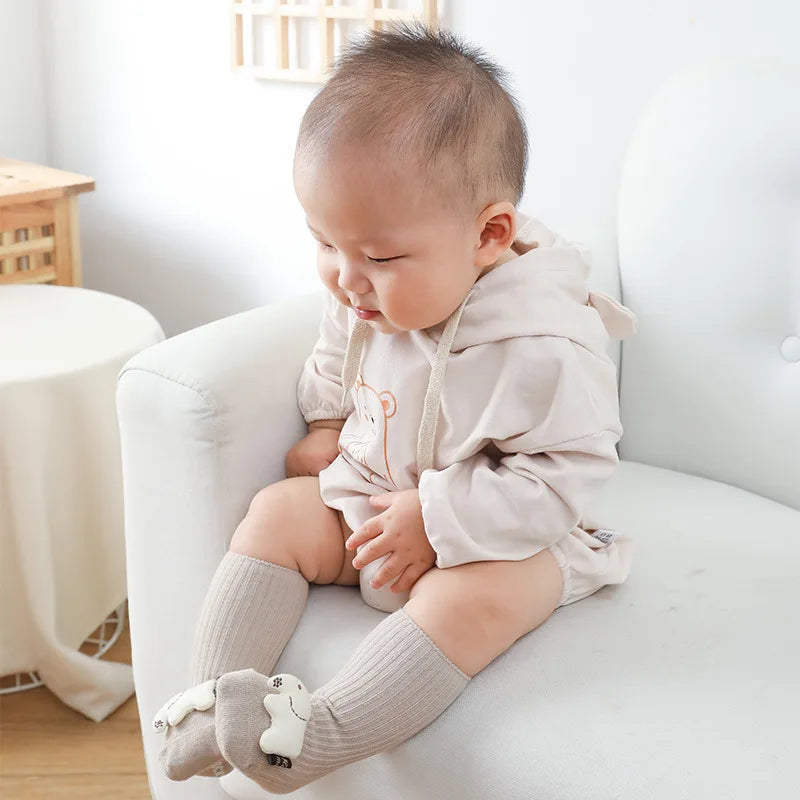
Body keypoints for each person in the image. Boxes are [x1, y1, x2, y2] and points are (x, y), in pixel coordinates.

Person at [151, 21, 638, 793]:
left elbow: (564, 478)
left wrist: (435, 517)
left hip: (499, 541)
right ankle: (214, 701)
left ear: (490, 233)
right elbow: (332, 358)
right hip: (371, 505)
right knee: (279, 511)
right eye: (324, 242)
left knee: (476, 600)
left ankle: (317, 736)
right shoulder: (364, 290)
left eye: (376, 257)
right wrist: (322, 423)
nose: (345, 278)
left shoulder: (545, 346)